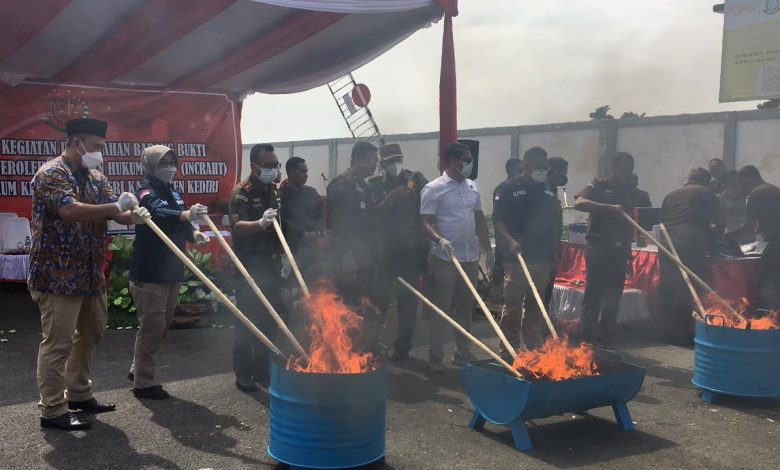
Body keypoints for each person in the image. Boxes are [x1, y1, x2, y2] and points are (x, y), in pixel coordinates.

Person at [29, 118, 148, 430]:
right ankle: (52, 410)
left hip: (90, 273)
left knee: (92, 331)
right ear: (76, 143)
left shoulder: (96, 177)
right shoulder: (52, 172)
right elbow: (69, 210)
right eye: (96, 147)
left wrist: (133, 215)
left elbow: (116, 211)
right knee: (58, 343)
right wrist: (116, 208)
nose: (100, 154)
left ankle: (79, 394)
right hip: (57, 275)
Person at [127, 145, 211, 399]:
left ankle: (137, 368)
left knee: (161, 327)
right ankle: (143, 384)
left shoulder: (174, 191)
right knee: (152, 328)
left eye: (172, 162)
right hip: (150, 273)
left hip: (172, 269)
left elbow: (179, 223)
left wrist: (194, 234)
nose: (169, 168)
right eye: (163, 163)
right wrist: (185, 214)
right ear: (150, 165)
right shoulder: (145, 190)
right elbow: (158, 213)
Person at [420, 141, 493, 372]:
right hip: (444, 259)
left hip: (470, 258)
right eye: (467, 160)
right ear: (453, 161)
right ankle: (435, 357)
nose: (471, 163)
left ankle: (462, 352)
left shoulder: (472, 187)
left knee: (465, 307)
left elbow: (479, 219)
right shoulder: (433, 188)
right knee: (442, 309)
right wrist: (440, 239)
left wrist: (487, 249)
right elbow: (425, 222)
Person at [228, 143, 287, 391]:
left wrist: (283, 255)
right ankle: (243, 373)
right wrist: (259, 223)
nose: (273, 169)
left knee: (270, 318)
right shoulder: (242, 192)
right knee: (248, 319)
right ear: (254, 166)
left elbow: (278, 227)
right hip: (249, 266)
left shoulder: (272, 190)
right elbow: (237, 227)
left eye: (275, 164)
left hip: (270, 264)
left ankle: (263, 369)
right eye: (267, 165)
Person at [494, 149, 562, 353]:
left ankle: (533, 348)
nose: (543, 171)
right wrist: (510, 241)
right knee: (513, 306)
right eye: (540, 167)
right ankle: (509, 349)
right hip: (517, 258)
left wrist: (555, 248)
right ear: (526, 166)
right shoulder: (508, 189)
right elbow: (498, 221)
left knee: (536, 304)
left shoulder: (548, 189)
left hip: (542, 257)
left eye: (545, 167)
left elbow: (555, 221)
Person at [574, 152, 642, 350]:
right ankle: (587, 341)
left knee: (613, 297)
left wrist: (628, 255)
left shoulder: (629, 191)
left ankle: (606, 341)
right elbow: (579, 203)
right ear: (613, 167)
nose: (627, 173)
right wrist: (608, 208)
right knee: (593, 295)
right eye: (624, 169)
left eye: (630, 169)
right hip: (598, 247)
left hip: (619, 251)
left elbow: (627, 227)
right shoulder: (598, 185)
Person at [368, 143, 429, 362]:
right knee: (379, 302)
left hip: (410, 252)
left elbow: (427, 210)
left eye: (398, 159)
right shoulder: (374, 184)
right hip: (384, 252)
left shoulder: (416, 180)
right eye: (390, 161)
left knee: (408, 303)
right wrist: (391, 197)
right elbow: (370, 216)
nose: (395, 164)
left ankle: (403, 348)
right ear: (382, 163)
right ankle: (371, 345)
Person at [326, 141, 382, 344]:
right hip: (348, 256)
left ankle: (359, 345)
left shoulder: (364, 185)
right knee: (347, 302)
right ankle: (344, 346)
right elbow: (340, 224)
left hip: (364, 255)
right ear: (356, 159)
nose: (374, 164)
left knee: (362, 301)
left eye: (376, 160)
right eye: (371, 159)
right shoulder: (341, 185)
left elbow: (370, 217)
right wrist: (347, 255)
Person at [659, 168, 723, 345]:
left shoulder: (671, 195)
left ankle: (663, 333)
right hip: (690, 245)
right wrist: (714, 238)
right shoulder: (706, 193)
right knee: (687, 288)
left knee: (668, 289)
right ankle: (680, 336)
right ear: (706, 181)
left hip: (667, 245)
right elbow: (721, 222)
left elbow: (662, 221)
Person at [727, 165, 780, 309]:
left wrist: (726, 235)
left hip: (776, 243)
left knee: (767, 279)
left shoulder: (755, 194)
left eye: (742, 184)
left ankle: (771, 313)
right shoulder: (774, 189)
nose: (742, 189)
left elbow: (748, 227)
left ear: (747, 180)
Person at [492, 156, 534, 292]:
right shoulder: (503, 188)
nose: (521, 173)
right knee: (504, 276)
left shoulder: (526, 188)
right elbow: (498, 216)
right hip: (505, 241)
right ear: (509, 170)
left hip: (521, 241)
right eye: (519, 170)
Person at [279, 156, 324, 282]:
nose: (306, 175)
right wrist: (302, 234)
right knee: (293, 285)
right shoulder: (281, 195)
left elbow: (320, 215)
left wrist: (317, 232)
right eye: (302, 171)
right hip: (291, 250)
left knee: (315, 284)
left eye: (307, 171)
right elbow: (283, 220)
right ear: (291, 172)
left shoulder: (312, 192)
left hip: (312, 250)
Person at [718, 170, 751, 244]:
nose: (737, 183)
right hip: (729, 235)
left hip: (747, 236)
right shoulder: (721, 197)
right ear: (725, 185)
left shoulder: (749, 196)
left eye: (738, 180)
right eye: (732, 182)